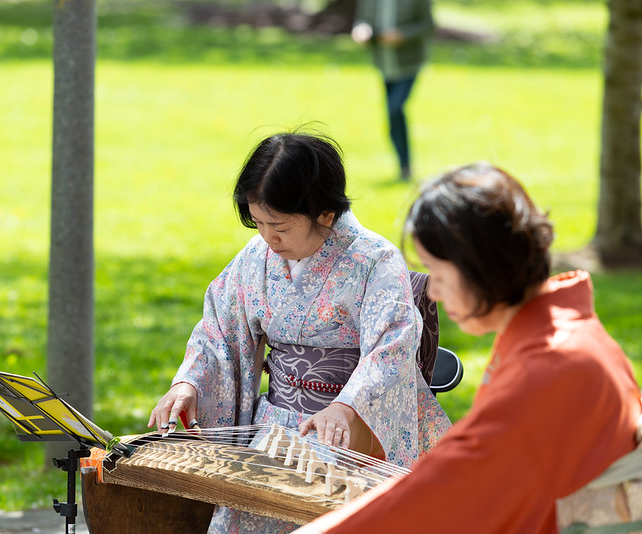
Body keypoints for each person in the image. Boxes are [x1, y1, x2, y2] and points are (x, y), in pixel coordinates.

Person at [294, 162, 642, 534]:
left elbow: (449, 483)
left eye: (439, 274)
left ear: (482, 266)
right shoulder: (562, 335)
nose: (433, 292)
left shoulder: (551, 366)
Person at [148, 130, 450, 533]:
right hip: (276, 426)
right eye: (258, 223)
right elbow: (219, 331)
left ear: (325, 213)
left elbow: (391, 349)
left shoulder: (374, 260)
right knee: (245, 507)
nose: (268, 239)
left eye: (280, 226)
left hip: (349, 430)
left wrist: (348, 406)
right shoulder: (256, 257)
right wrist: (191, 382)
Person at [351, 0, 434, 180]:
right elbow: (363, 20)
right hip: (384, 64)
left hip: (409, 63)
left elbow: (427, 24)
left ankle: (405, 164)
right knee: (392, 114)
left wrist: (402, 35)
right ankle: (404, 166)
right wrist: (361, 30)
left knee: (395, 109)